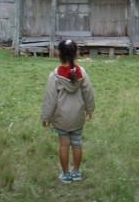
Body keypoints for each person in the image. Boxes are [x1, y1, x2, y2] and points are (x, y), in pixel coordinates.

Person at [41, 40, 95, 183]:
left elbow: (50, 98)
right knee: (77, 143)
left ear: (58, 53)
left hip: (61, 119)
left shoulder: (54, 76)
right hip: (77, 117)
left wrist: (45, 117)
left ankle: (66, 175)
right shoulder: (81, 72)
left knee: (64, 145)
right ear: (76, 53)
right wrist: (90, 109)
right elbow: (88, 93)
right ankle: (76, 172)